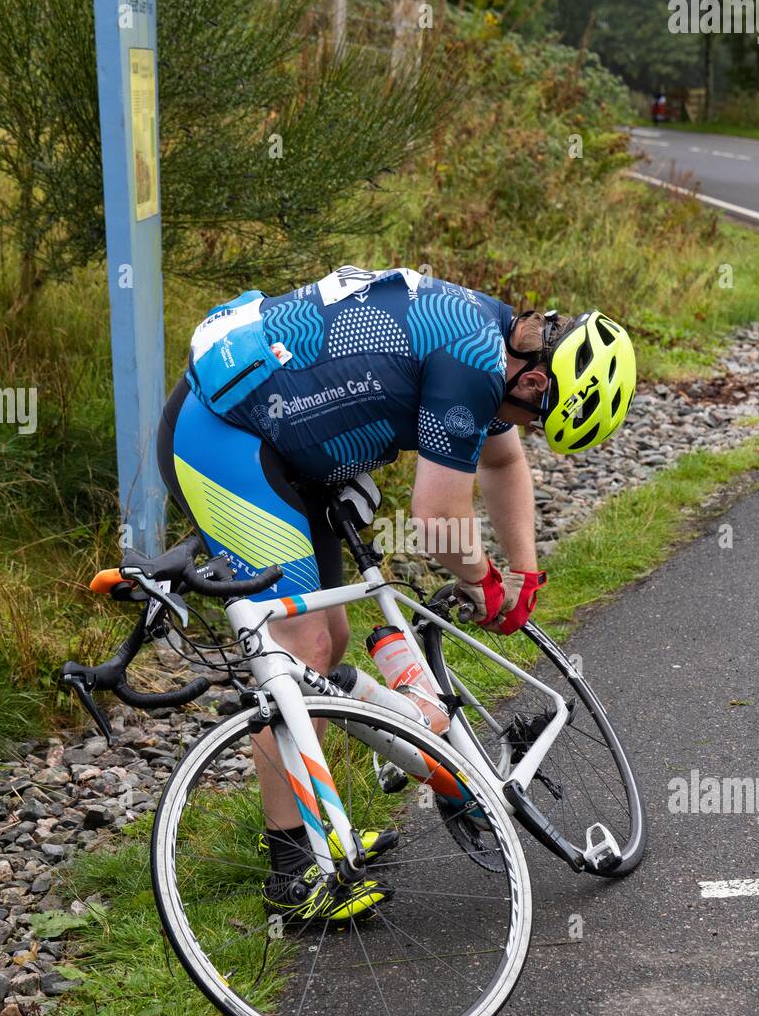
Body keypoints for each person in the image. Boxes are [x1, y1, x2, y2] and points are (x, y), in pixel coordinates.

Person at [156, 266, 635, 922]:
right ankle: (293, 878)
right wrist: (487, 582)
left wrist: (524, 575)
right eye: (536, 415)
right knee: (301, 653)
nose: (524, 424)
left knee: (333, 645)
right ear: (533, 379)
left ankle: (326, 833)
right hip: (223, 436)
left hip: (286, 440)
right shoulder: (474, 365)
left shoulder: (495, 338)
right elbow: (438, 521)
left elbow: (501, 460)